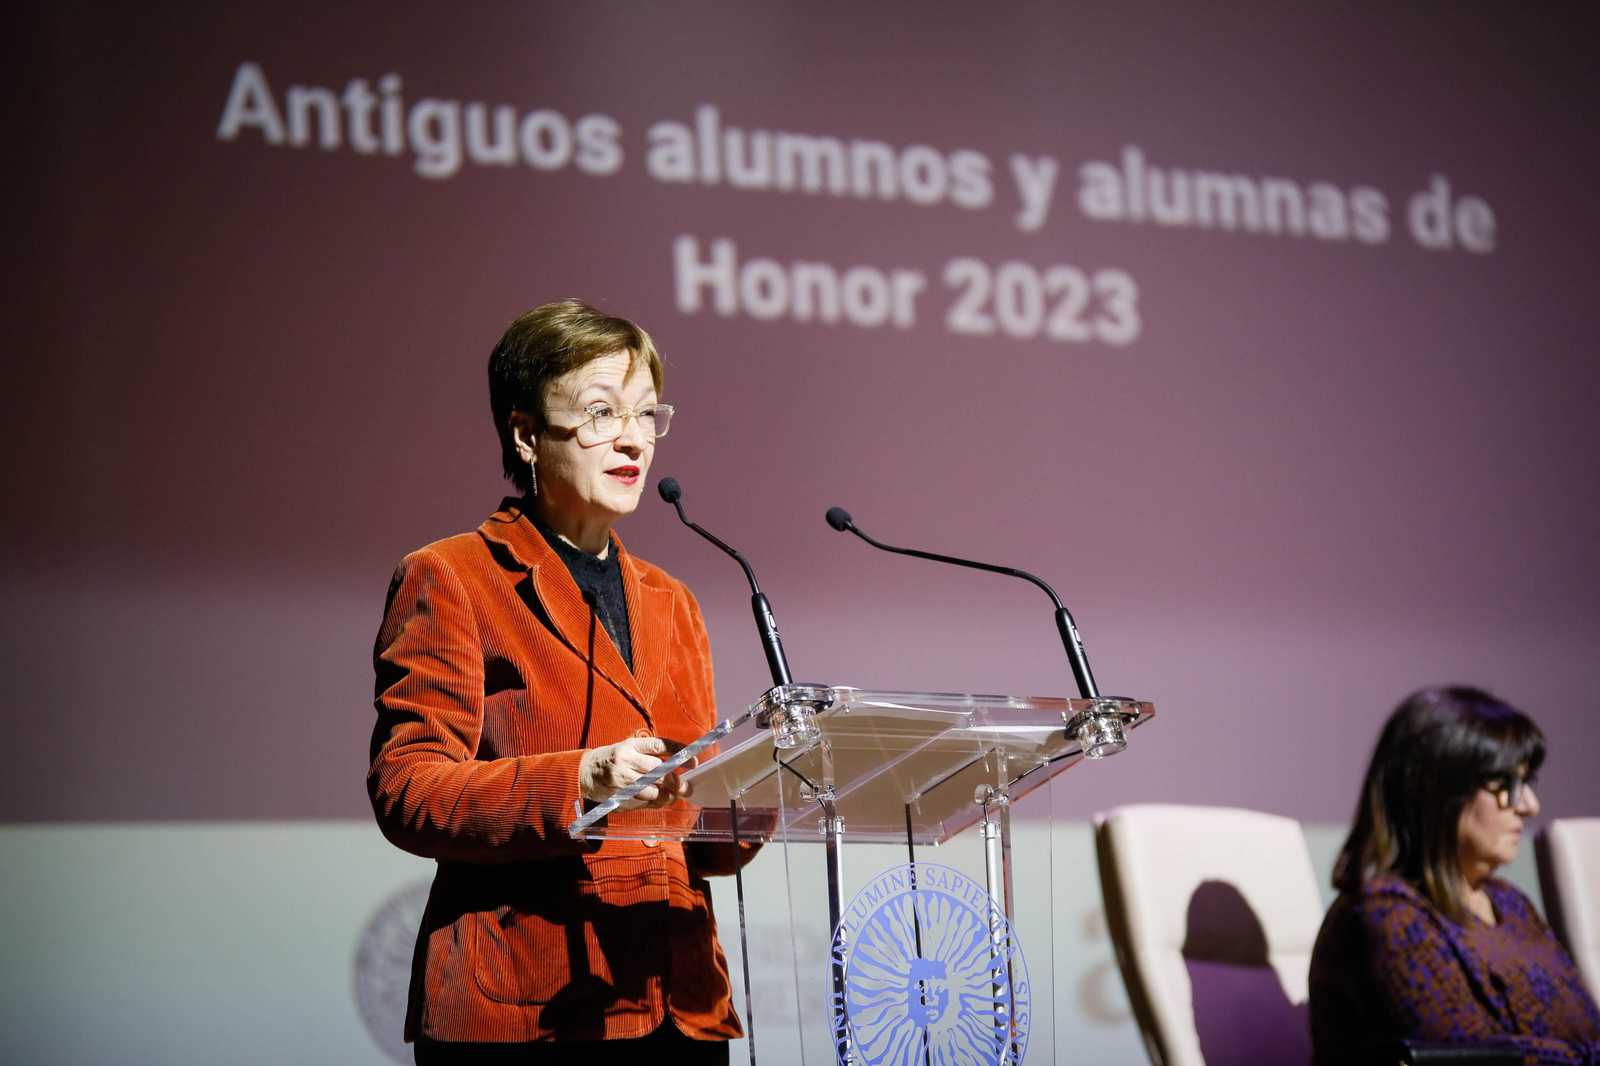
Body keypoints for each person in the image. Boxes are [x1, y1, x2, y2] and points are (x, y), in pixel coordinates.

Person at [368, 301, 753, 1064]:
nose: (634, 437)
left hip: (677, 1005)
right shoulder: (453, 577)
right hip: (531, 1011)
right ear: (525, 435)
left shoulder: (671, 599)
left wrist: (764, 795)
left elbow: (697, 839)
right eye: (601, 412)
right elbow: (408, 790)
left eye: (646, 413)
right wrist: (580, 779)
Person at [1310, 686, 1600, 1065]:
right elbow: (1474, 1058)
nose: (1529, 805)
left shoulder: (1512, 906)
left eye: (1528, 783)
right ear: (1440, 789)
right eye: (1507, 784)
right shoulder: (1385, 914)